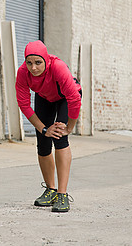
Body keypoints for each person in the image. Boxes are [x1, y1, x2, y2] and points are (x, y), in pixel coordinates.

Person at [15, 40, 82, 212]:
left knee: (60, 138)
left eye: (38, 62)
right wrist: (43, 129)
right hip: (44, 97)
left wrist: (69, 127)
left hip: (65, 98)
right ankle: (51, 190)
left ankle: (62, 194)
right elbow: (24, 104)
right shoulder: (23, 72)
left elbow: (74, 99)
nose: (33, 68)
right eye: (29, 63)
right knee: (43, 144)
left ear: (45, 60)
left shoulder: (58, 67)